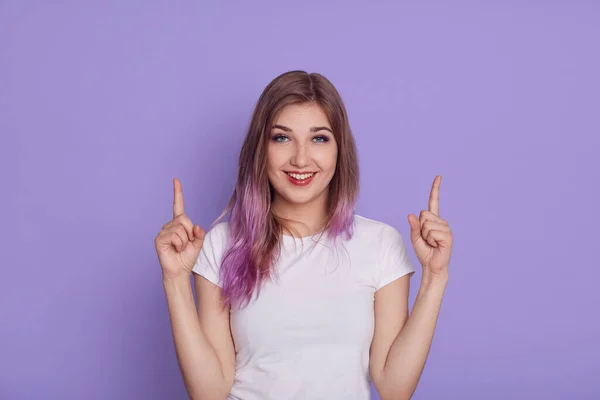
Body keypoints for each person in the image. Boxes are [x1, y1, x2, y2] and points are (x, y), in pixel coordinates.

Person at [154, 70, 454, 400]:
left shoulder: (381, 244)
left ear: (340, 150)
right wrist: (175, 278)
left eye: (319, 138)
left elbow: (395, 389)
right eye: (281, 137)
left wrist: (435, 278)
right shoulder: (221, 244)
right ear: (261, 149)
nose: (300, 158)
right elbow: (209, 392)